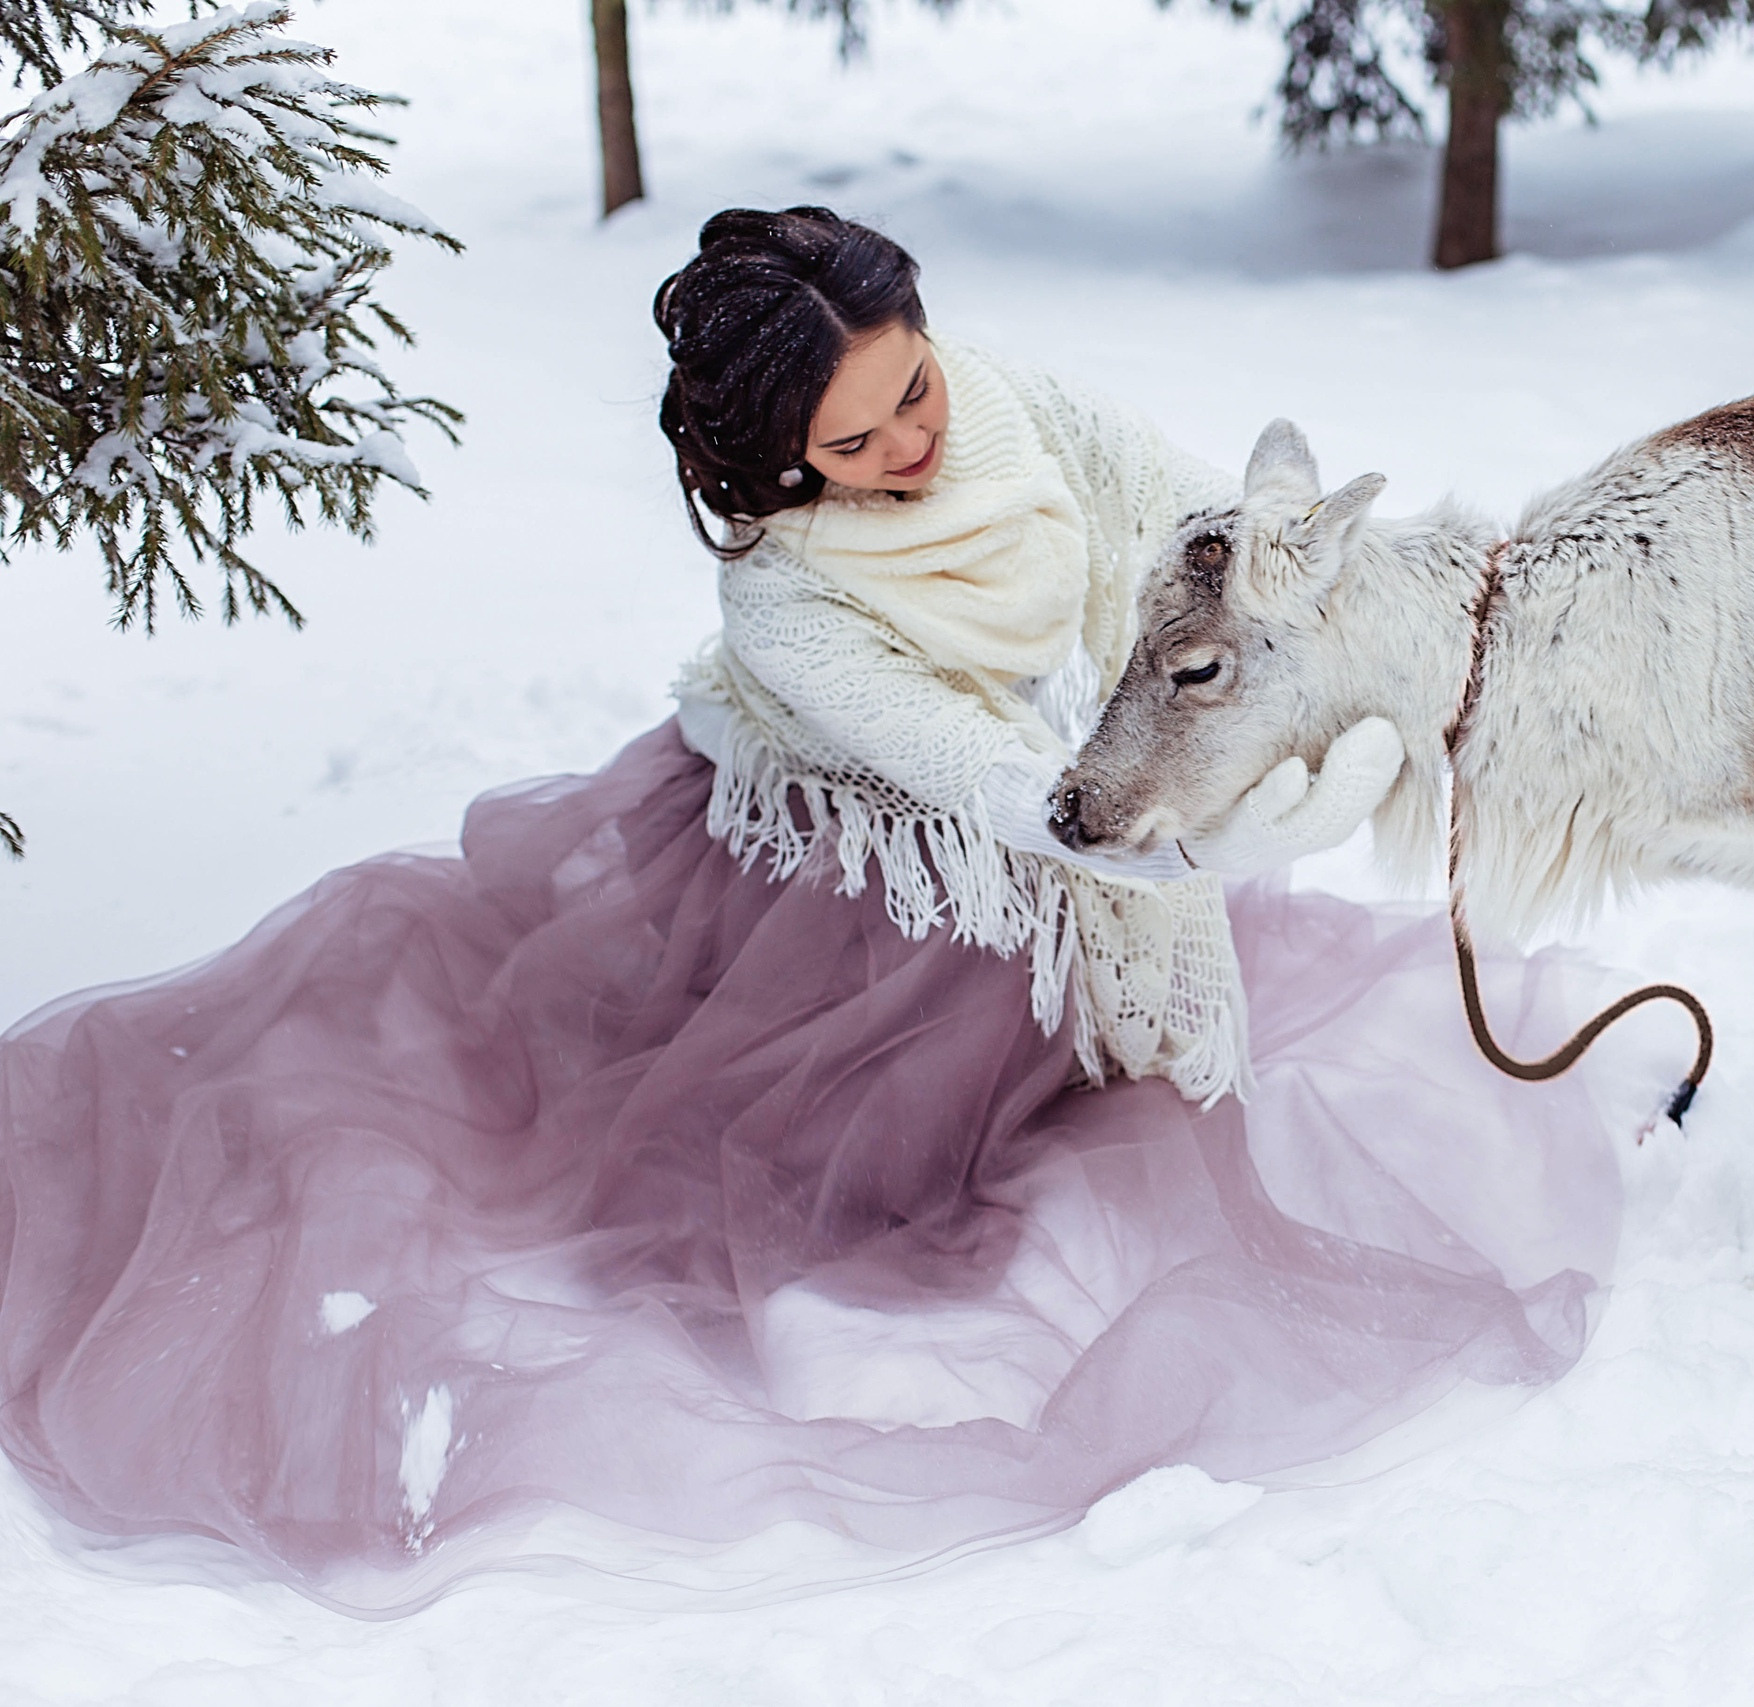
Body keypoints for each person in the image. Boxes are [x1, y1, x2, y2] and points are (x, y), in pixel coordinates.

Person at [0, 208, 1616, 1613]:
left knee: (1100, 991)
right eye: (857, 442)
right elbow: (999, 790)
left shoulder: (1000, 400)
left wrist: (1309, 670)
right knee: (837, 1135)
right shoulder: (785, 599)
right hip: (870, 856)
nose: (912, 443)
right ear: (781, 461)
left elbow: (1202, 523)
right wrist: (1209, 837)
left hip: (1050, 790)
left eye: (911, 388)